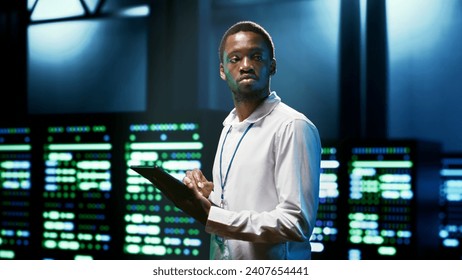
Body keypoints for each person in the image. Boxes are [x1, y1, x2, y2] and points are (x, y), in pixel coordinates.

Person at [178, 20, 321, 260]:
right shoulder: (229, 126)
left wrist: (215, 216)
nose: (246, 65)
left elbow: (296, 223)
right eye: (235, 59)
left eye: (256, 56)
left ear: (272, 66)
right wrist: (209, 196)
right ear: (222, 71)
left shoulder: (292, 126)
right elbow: (245, 201)